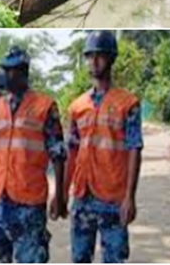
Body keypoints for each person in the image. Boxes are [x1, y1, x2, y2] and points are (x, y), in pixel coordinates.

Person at [0, 46, 67, 263]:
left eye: (12, 71)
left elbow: (58, 154)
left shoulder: (44, 107)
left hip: (29, 204)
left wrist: (60, 195)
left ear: (23, 72)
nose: (7, 76)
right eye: (5, 70)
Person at [64, 31, 142, 263]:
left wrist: (130, 197)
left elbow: (134, 149)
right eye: (89, 56)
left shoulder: (128, 104)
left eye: (99, 56)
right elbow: (72, 152)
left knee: (115, 259)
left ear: (111, 59)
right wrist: (62, 193)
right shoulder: (77, 106)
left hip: (112, 197)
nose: (93, 62)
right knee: (79, 258)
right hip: (83, 196)